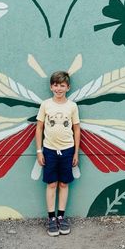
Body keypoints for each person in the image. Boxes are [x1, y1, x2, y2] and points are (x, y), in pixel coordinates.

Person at [35, 70, 80, 236]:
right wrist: (39, 151)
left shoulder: (72, 106)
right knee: (52, 184)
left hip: (68, 150)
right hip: (49, 150)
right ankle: (51, 218)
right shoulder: (46, 105)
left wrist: (76, 152)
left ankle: (61, 216)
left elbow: (77, 129)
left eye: (62, 85)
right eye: (55, 85)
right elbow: (39, 128)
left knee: (64, 184)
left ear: (68, 87)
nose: (58, 88)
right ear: (51, 86)